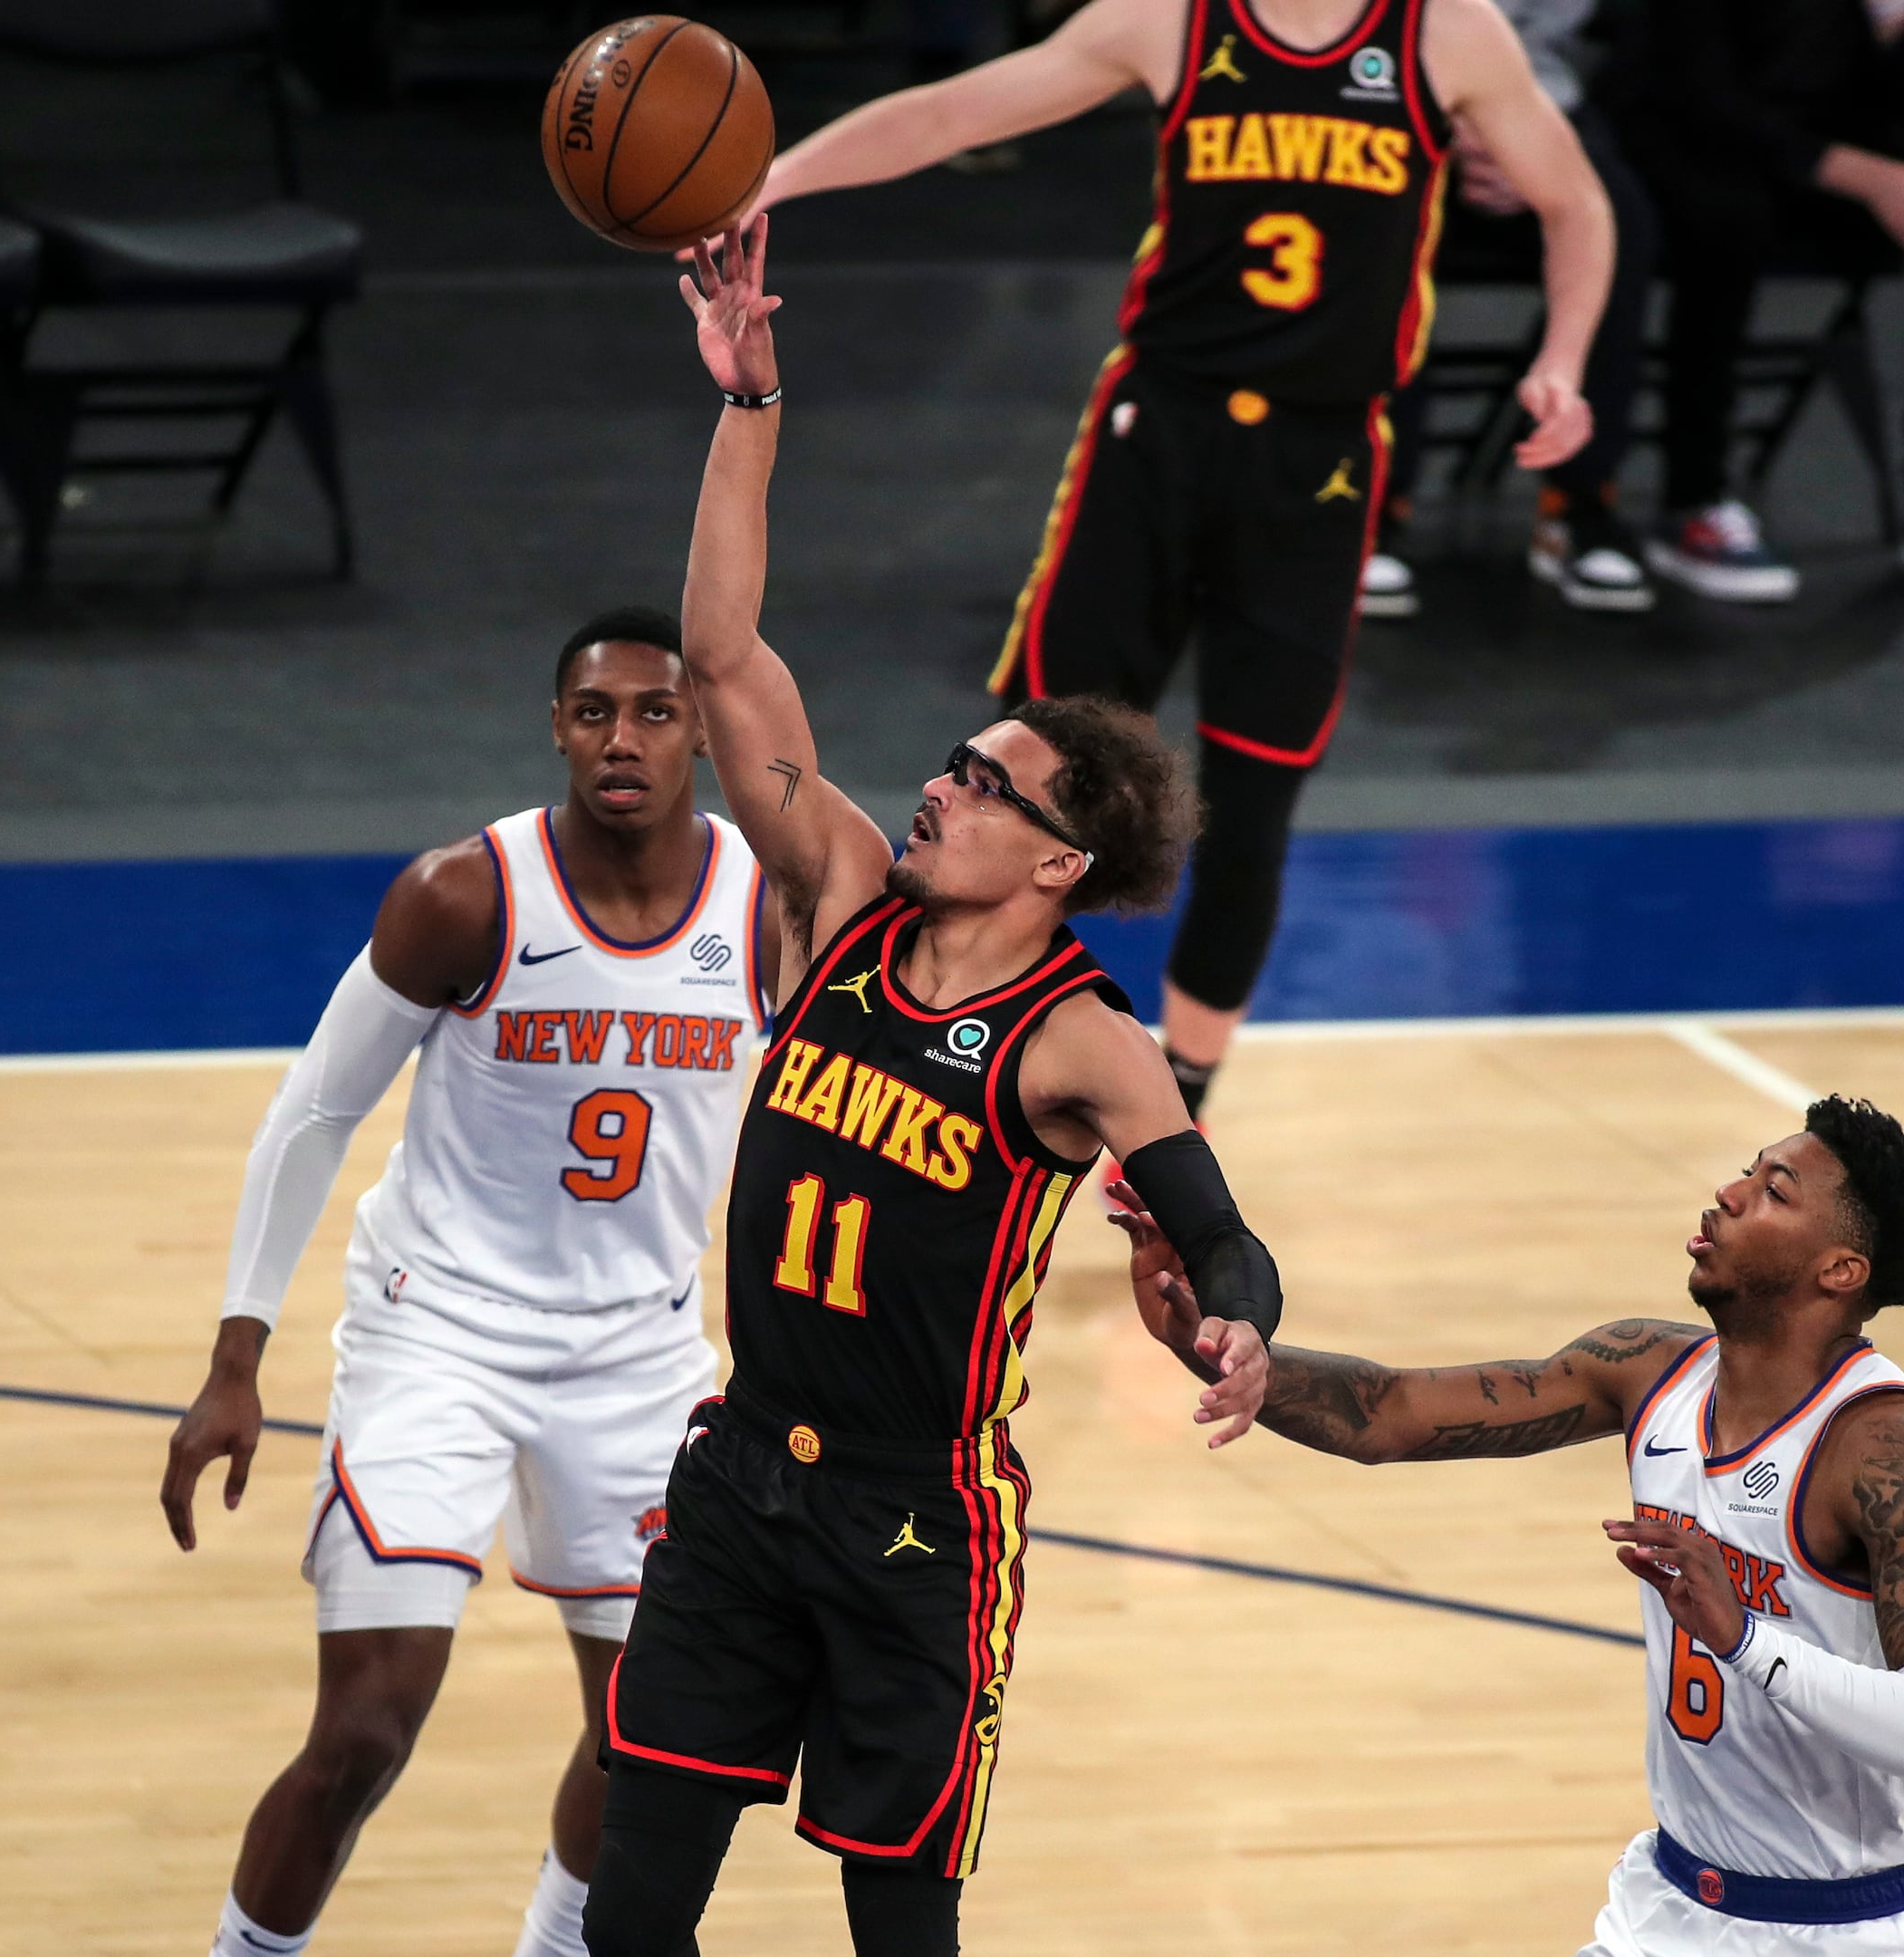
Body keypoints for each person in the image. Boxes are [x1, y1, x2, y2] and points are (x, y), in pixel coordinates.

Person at [577, 217, 1278, 1957]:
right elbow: (725, 661)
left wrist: (1241, 1324)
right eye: (957, 765)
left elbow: (1215, 1226)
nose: (938, 787)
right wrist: (751, 405)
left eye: (986, 786)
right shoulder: (834, 903)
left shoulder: (1078, 1035)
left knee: (900, 1939)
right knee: (630, 1921)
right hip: (742, 1480)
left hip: (915, 1517)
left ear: (1061, 862)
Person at [757, 0, 1616, 1118]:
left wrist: (1565, 359)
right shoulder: (1170, 15)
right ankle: (946, 1037)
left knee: (1253, 803)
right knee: (1026, 771)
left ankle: (1183, 1096)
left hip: (1320, 460)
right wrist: (774, 177)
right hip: (1159, 430)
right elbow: (952, 110)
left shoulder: (1444, 32)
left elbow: (1577, 203)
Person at [158, 612, 766, 1957]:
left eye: (657, 711)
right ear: (556, 727)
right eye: (595, 711)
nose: (624, 737)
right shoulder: (465, 895)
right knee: (369, 1724)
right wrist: (235, 1357)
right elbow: (316, 1114)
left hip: (644, 1352)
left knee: (650, 1743)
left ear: (705, 732)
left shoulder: (764, 906)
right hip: (438, 1333)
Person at [1118, 1094, 1904, 1954]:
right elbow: (1390, 1412)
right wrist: (1218, 1342)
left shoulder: (1888, 1446)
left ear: (1840, 1270)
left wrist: (1748, 1640)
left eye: (1773, 1192)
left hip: (1846, 1929)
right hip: (1668, 1908)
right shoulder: (1649, 1368)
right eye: (1746, 1172)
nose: (1728, 1195)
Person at [1602, 0, 1904, 605]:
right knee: (1729, 219)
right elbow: (1697, 98)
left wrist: (1898, 22)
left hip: (1840, 145)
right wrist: (1860, 175)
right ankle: (1692, 501)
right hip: (1696, 135)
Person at [1374, 0, 1668, 617]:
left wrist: (1523, 141)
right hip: (1386, 99)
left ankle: (1580, 499)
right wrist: (1458, 126)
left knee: (1622, 219)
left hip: (1538, 102)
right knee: (1379, 226)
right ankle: (1373, 503)